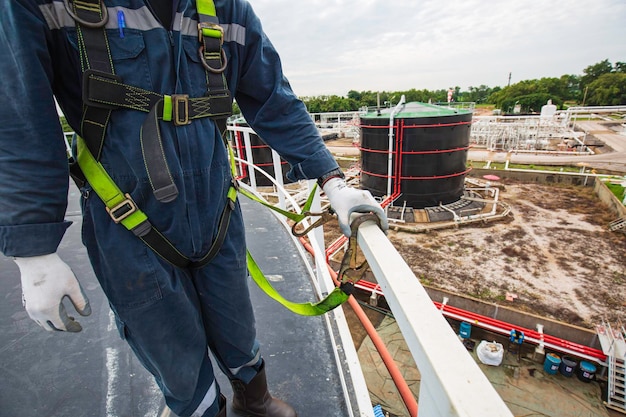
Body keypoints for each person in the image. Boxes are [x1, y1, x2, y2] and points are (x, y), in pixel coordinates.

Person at [0, 1, 387, 417]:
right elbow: (20, 118)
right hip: (128, 225)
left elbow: (273, 97)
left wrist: (331, 180)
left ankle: (252, 400)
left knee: (237, 325)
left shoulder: (225, 9)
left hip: (217, 214)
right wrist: (33, 248)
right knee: (172, 351)